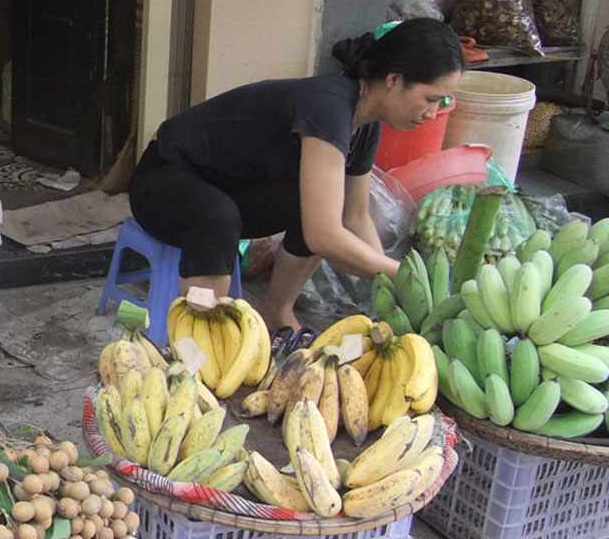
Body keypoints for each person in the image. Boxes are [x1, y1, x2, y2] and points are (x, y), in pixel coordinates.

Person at [129, 17, 465, 333]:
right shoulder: (328, 107)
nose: (433, 113)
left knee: (310, 204)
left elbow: (356, 215)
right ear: (394, 81)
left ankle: (276, 310)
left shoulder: (366, 125)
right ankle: (201, 335)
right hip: (163, 181)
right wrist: (403, 275)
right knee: (218, 216)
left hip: (227, 189)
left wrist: (388, 284)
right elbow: (324, 236)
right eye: (431, 99)